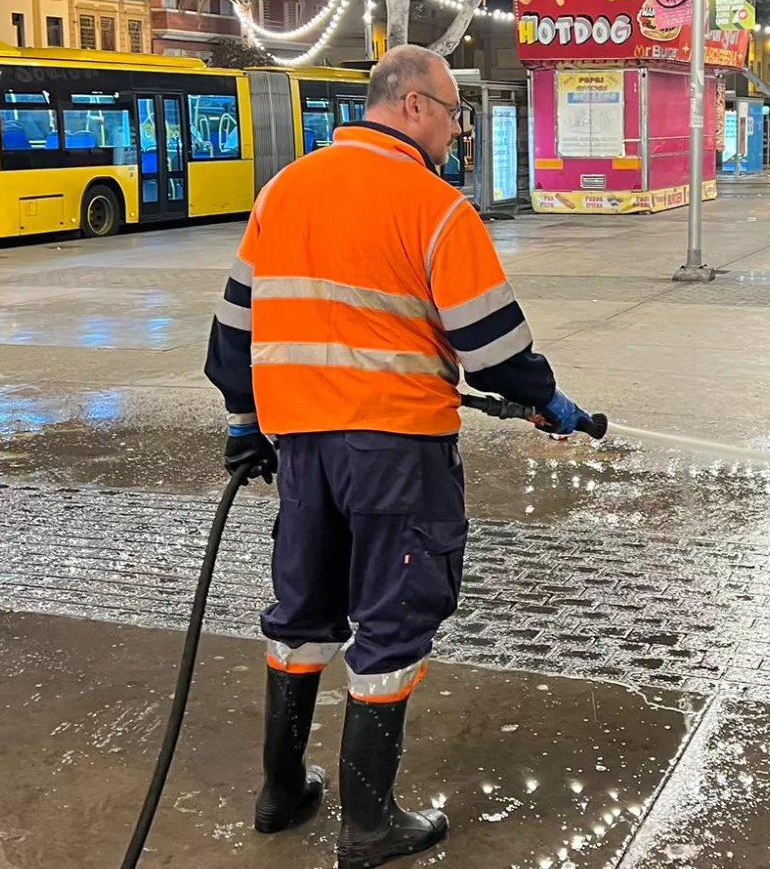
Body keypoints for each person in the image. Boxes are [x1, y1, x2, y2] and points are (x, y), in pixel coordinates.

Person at [204, 45, 590, 869]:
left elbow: (233, 331)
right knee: (393, 620)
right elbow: (493, 348)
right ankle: (371, 825)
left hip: (302, 448)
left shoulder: (285, 191)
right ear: (413, 105)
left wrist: (245, 423)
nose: (456, 132)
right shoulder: (434, 206)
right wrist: (546, 397)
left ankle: (281, 792)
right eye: (454, 114)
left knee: (302, 611)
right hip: (396, 452)